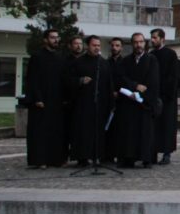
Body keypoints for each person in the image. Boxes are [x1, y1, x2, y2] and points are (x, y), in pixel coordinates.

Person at [111, 32, 159, 167]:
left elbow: (153, 81)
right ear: (132, 44)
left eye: (141, 42)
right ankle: (129, 158)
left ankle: (146, 159)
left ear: (145, 43)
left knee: (145, 133)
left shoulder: (151, 60)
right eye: (136, 42)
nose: (139, 45)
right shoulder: (125, 61)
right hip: (128, 102)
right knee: (129, 133)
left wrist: (141, 95)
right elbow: (121, 78)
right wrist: (135, 86)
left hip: (144, 103)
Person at [64, 35, 113, 166]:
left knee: (98, 132)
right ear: (87, 46)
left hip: (100, 105)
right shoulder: (78, 62)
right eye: (94, 45)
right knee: (83, 132)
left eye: (98, 45)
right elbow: (67, 81)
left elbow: (109, 84)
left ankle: (97, 155)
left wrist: (110, 103)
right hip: (82, 104)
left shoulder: (103, 63)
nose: (96, 48)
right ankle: (82, 157)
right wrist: (80, 81)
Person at [24, 29, 67, 168]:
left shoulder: (60, 57)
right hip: (41, 100)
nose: (55, 40)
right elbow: (32, 80)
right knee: (40, 132)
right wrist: (37, 98)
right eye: (52, 37)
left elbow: (63, 80)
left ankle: (55, 159)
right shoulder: (37, 57)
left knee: (55, 131)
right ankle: (39, 160)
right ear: (45, 40)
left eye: (57, 37)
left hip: (56, 100)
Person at [149, 28, 178, 164]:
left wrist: (166, 94)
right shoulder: (151, 54)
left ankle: (167, 153)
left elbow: (173, 77)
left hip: (167, 97)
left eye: (155, 37)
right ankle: (152, 152)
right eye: (152, 37)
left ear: (162, 39)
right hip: (154, 97)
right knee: (154, 126)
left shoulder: (171, 54)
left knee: (167, 126)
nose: (152, 40)